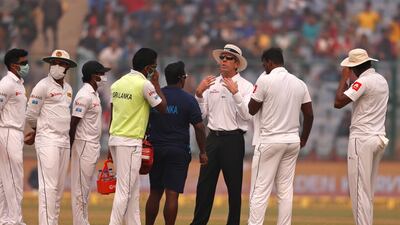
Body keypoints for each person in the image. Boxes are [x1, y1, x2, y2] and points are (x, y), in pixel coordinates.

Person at [247, 47, 314, 225]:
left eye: (264, 64)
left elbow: (251, 109)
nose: (263, 68)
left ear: (269, 62)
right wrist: (304, 138)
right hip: (292, 141)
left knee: (259, 190)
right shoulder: (299, 83)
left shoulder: (265, 80)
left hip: (270, 140)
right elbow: (309, 114)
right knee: (285, 191)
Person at [191, 44, 253, 225]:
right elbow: (201, 115)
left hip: (234, 139)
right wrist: (199, 94)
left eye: (228, 58)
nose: (223, 61)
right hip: (212, 139)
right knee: (204, 187)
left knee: (234, 188)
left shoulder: (246, 86)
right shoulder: (212, 83)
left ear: (237, 64)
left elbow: (247, 115)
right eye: (222, 58)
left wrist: (236, 93)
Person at [108, 48, 167, 225]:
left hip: (115, 138)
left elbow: (113, 113)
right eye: (154, 67)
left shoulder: (117, 83)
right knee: (124, 190)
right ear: (149, 68)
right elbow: (163, 108)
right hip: (130, 141)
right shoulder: (145, 85)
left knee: (132, 191)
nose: (155, 71)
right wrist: (156, 83)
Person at [145, 61, 208, 225]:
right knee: (172, 195)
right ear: (182, 78)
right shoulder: (188, 99)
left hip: (156, 149)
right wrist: (203, 152)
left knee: (155, 193)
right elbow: (200, 127)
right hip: (178, 151)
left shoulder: (156, 97)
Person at [334, 48, 389, 225]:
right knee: (367, 192)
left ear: (355, 68)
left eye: (350, 68)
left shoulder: (362, 82)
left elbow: (338, 102)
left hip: (362, 139)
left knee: (359, 192)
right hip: (378, 137)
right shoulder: (381, 80)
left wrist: (344, 77)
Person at [25, 49, 77, 225]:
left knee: (59, 189)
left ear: (67, 67)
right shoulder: (42, 86)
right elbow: (31, 114)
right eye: (54, 63)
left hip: (64, 141)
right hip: (47, 140)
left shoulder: (68, 89)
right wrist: (38, 130)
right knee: (49, 187)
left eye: (61, 64)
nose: (56, 66)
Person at [69, 60, 110, 225]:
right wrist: (72, 146)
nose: (103, 77)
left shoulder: (94, 94)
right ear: (94, 76)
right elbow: (73, 123)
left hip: (92, 145)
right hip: (83, 145)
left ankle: (83, 222)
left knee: (85, 190)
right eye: (101, 74)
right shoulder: (84, 95)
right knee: (80, 190)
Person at [0, 48, 29, 225]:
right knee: (14, 179)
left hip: (15, 133)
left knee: (4, 181)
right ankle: (15, 221)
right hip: (7, 131)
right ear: (13, 65)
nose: (27, 65)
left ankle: (4, 219)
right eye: (24, 62)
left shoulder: (19, 83)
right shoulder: (6, 84)